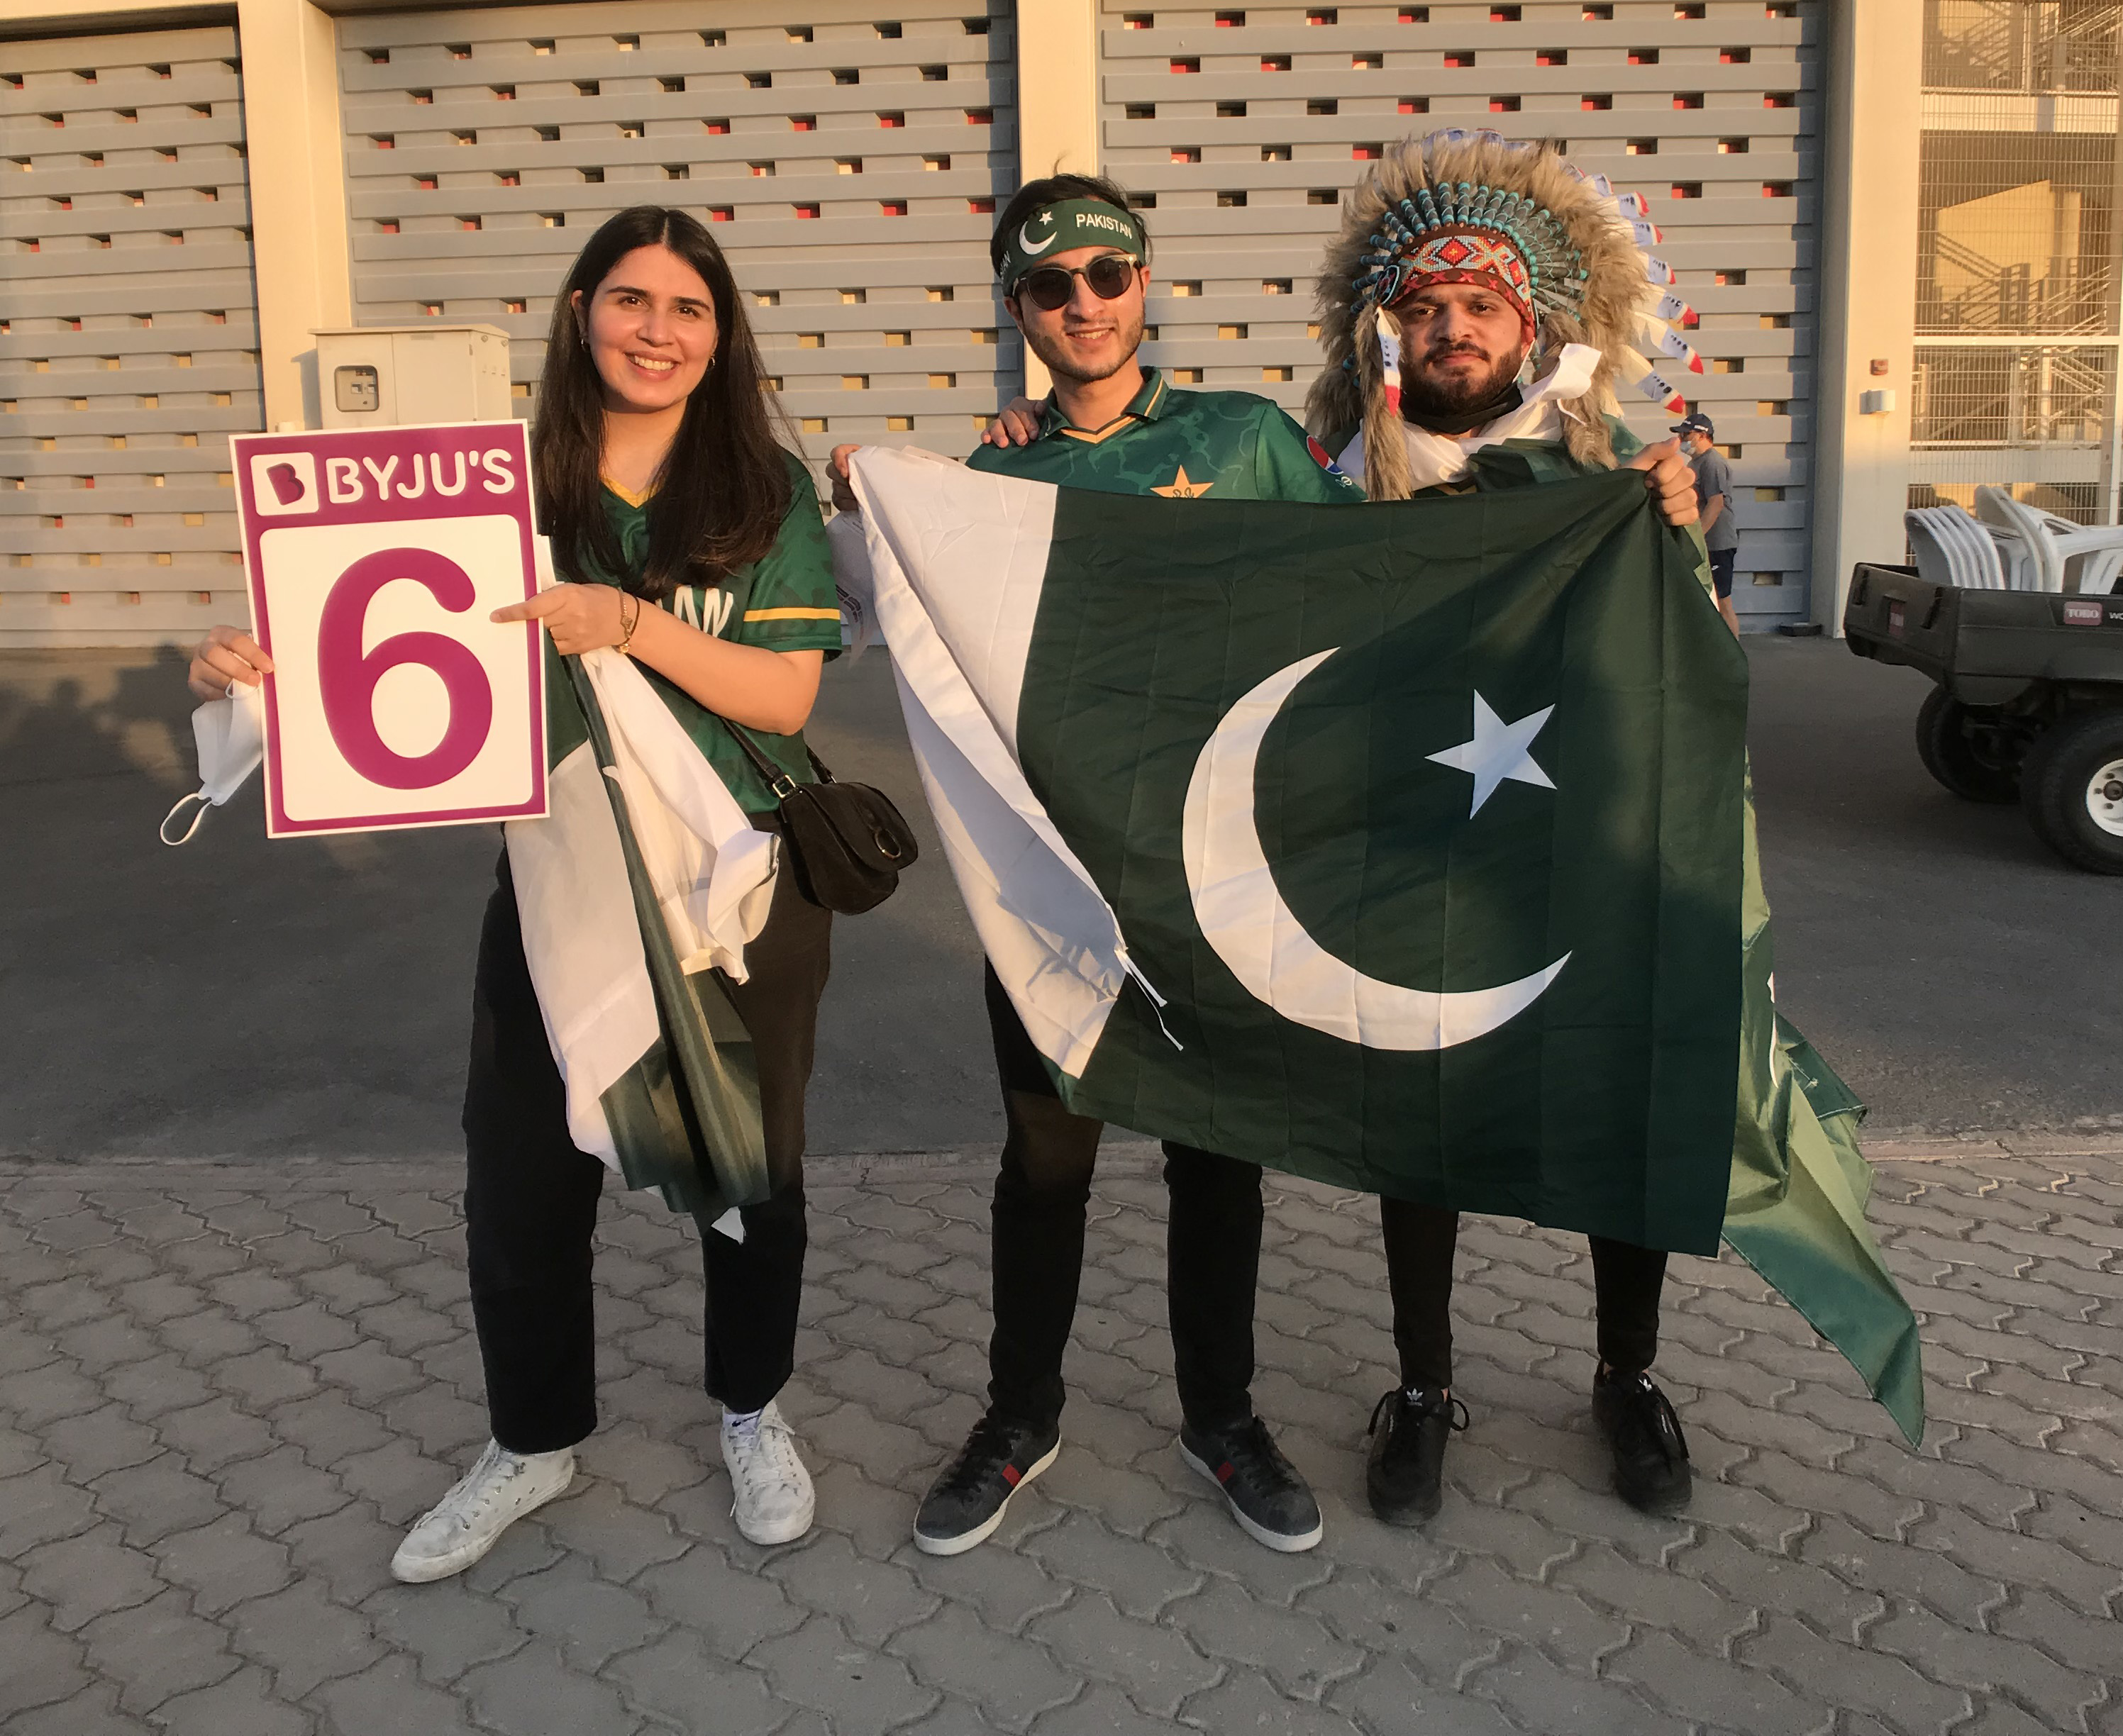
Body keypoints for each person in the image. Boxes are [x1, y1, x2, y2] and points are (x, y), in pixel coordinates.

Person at [187, 206, 844, 1580]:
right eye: (629, 300)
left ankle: (751, 1408)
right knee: (521, 1173)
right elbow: (385, 646)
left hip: (737, 877)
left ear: (720, 334)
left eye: (688, 308)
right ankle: (533, 1440)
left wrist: (630, 623)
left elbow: (784, 695)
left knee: (749, 1162)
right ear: (578, 313)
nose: (656, 331)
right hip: (558, 876)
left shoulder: (762, 489)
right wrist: (263, 672)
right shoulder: (501, 486)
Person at [831, 174, 1369, 1559]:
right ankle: (1018, 1417)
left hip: (1218, 877)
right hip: (1053, 886)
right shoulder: (992, 479)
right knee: (1043, 1164)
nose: (1081, 304)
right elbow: (870, 604)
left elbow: (1382, 576)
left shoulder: (1242, 439)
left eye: (1103, 276)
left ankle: (1221, 1418)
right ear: (1016, 310)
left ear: (1141, 282)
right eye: (1048, 286)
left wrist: (1636, 497)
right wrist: (863, 492)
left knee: (1217, 1163)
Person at [1304, 131, 1709, 1526]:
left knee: (1620, 1104)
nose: (1451, 328)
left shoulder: (1613, 479)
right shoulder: (1329, 480)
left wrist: (1679, 519)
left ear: (1531, 327)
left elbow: (1696, 659)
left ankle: (1624, 1374)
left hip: (1586, 854)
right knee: (1422, 1127)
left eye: (1478, 305)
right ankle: (1422, 1386)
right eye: (1423, 307)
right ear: (1387, 332)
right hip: (1411, 853)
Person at [1673, 411, 1742, 631]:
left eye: (1686, 435)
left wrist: (1697, 537)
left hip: (1716, 544)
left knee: (1722, 602)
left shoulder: (1713, 463)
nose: (1682, 440)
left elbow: (1716, 503)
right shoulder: (1696, 463)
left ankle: (1732, 650)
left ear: (1702, 435)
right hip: (1704, 544)